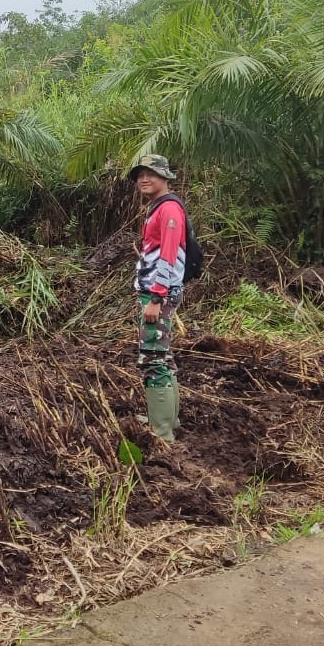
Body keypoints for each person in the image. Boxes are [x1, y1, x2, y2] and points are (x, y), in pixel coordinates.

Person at [127, 154, 187, 441]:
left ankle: (161, 431)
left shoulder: (170, 210)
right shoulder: (158, 207)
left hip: (158, 295)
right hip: (155, 292)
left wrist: (156, 297)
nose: (144, 179)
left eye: (150, 173)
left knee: (152, 357)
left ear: (165, 177)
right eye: (139, 174)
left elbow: (170, 254)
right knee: (163, 354)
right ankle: (166, 419)